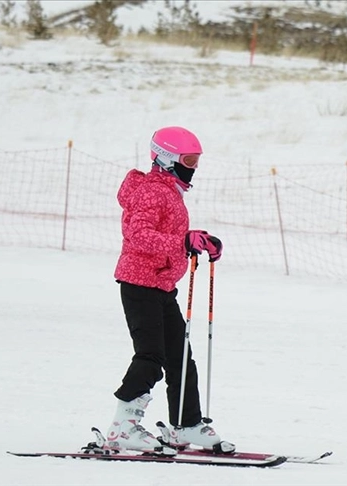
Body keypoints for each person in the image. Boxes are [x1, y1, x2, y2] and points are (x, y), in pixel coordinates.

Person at [107, 126, 233, 454]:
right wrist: (181, 242)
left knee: (180, 356)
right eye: (188, 159)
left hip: (161, 284)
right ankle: (124, 426)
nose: (193, 167)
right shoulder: (152, 190)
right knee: (151, 357)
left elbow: (168, 231)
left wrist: (197, 239)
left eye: (196, 160)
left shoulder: (168, 189)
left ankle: (186, 424)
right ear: (165, 158)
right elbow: (138, 234)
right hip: (139, 284)